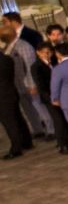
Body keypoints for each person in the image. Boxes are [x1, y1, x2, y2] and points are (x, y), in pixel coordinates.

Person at [6, 12, 54, 138]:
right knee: (30, 106)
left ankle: (51, 129)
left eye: (5, 22)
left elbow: (30, 63)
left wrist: (32, 83)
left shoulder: (27, 39)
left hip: (31, 80)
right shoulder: (9, 45)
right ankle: (38, 128)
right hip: (19, 82)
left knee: (39, 104)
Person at [29, 40, 68, 154]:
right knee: (58, 120)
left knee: (65, 118)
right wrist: (52, 98)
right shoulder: (36, 66)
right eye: (44, 52)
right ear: (38, 53)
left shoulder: (55, 61)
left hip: (62, 94)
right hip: (50, 98)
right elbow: (41, 85)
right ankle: (63, 144)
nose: (47, 54)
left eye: (49, 52)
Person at [0, 19, 31, 158]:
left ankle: (16, 147)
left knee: (9, 122)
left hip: (2, 97)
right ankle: (27, 141)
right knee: (18, 117)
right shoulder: (7, 59)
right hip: (11, 92)